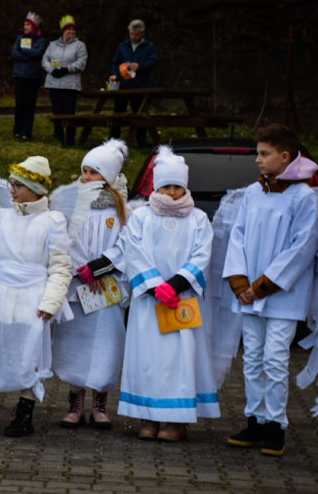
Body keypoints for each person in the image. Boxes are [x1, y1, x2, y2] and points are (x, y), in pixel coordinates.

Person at [88, 145, 219, 442]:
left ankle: (176, 420)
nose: (171, 191)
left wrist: (175, 285)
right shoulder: (141, 217)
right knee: (148, 357)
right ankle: (148, 415)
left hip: (182, 300)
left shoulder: (198, 218)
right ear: (156, 186)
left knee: (180, 358)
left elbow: (202, 256)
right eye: (166, 185)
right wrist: (156, 286)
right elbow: (134, 253)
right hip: (150, 301)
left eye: (177, 186)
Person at [223, 124, 318, 456]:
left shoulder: (305, 196)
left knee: (275, 359)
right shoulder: (253, 192)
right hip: (248, 294)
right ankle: (255, 421)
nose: (257, 160)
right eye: (258, 153)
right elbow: (237, 236)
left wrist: (261, 287)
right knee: (251, 359)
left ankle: (276, 425)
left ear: (285, 156)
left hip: (282, 296)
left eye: (264, 154)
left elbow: (302, 249)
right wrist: (240, 283)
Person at [0, 156, 73, 437]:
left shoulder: (53, 221)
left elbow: (60, 268)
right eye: (10, 184)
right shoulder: (2, 217)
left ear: (35, 189)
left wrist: (50, 302)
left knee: (29, 354)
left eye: (17, 185)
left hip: (33, 299)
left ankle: (25, 414)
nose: (10, 190)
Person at [53, 139, 130, 429]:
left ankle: (100, 405)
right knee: (74, 344)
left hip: (107, 289)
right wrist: (82, 268)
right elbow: (64, 238)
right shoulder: (69, 204)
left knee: (106, 344)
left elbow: (125, 245)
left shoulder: (122, 210)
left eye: (93, 173)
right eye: (83, 171)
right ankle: (75, 404)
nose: (85, 178)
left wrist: (99, 269)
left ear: (108, 177)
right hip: (77, 289)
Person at [108, 20, 157, 147]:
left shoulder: (149, 47)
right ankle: (113, 141)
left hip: (139, 85)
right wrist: (114, 74)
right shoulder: (122, 46)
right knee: (118, 113)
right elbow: (115, 62)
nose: (133, 37)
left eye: (136, 34)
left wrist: (140, 66)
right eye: (131, 34)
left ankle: (141, 141)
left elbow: (152, 63)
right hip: (123, 85)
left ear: (142, 33)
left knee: (139, 113)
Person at [42, 15, 87, 146]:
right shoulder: (52, 45)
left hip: (70, 84)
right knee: (57, 112)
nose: (71, 31)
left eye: (73, 29)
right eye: (69, 29)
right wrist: (52, 70)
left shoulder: (79, 45)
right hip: (54, 83)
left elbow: (81, 62)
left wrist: (67, 69)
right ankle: (58, 136)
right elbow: (45, 60)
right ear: (63, 31)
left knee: (69, 113)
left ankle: (70, 139)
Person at [11, 12, 46, 142]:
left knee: (29, 105)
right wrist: (29, 55)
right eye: (24, 24)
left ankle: (26, 132)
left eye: (27, 24)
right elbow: (14, 53)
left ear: (34, 26)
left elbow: (38, 53)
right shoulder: (19, 39)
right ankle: (17, 131)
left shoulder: (40, 40)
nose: (25, 27)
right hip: (19, 75)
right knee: (19, 104)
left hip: (33, 76)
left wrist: (24, 51)